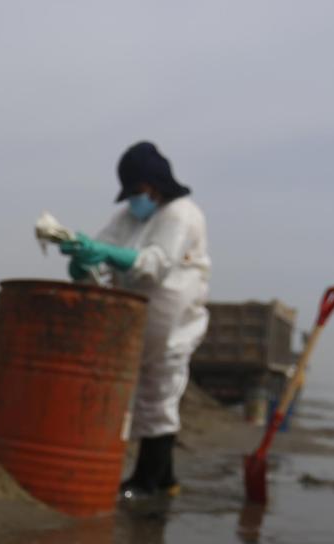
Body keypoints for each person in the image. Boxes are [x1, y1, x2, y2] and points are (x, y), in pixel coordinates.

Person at [58, 141, 211, 501]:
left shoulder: (181, 214)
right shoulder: (129, 217)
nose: (135, 200)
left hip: (171, 322)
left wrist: (107, 254)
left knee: (159, 395)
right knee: (144, 397)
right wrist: (84, 258)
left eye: (139, 192)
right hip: (132, 320)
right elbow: (102, 252)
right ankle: (165, 479)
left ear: (156, 186)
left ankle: (147, 483)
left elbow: (155, 264)